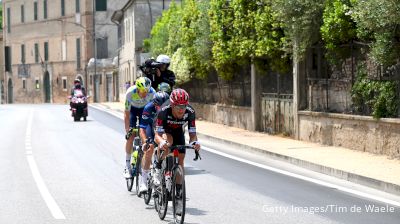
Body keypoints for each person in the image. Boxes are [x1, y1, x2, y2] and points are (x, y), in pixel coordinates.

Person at [154, 88, 201, 210]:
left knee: (181, 159)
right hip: (164, 130)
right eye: (178, 106)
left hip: (178, 130)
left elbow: (192, 134)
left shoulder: (190, 112)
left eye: (184, 106)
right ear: (172, 104)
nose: (181, 109)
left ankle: (179, 194)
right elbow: (157, 135)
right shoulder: (163, 111)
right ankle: (158, 165)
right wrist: (161, 143)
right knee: (168, 143)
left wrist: (195, 142)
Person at [123, 77, 156, 178]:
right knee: (131, 136)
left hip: (144, 111)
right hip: (132, 111)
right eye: (142, 90)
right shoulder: (130, 93)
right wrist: (128, 130)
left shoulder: (152, 93)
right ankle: (127, 166)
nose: (145, 93)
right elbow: (126, 114)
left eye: (147, 90)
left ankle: (147, 165)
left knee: (147, 137)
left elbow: (154, 113)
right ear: (137, 89)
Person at [138, 91, 170, 193]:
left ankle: (159, 167)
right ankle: (143, 181)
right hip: (150, 128)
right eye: (159, 106)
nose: (162, 108)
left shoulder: (170, 109)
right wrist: (144, 142)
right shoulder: (148, 108)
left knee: (165, 144)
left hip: (161, 129)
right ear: (155, 104)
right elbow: (142, 128)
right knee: (149, 148)